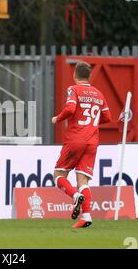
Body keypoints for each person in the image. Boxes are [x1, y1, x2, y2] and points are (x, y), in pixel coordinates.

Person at [52, 61, 111, 228]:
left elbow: (70, 109)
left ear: (74, 74)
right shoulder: (99, 94)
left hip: (75, 139)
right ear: (89, 75)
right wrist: (91, 124)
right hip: (92, 141)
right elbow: (108, 117)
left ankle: (75, 196)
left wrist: (58, 118)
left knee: (58, 175)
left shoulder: (73, 89)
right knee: (83, 180)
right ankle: (86, 217)